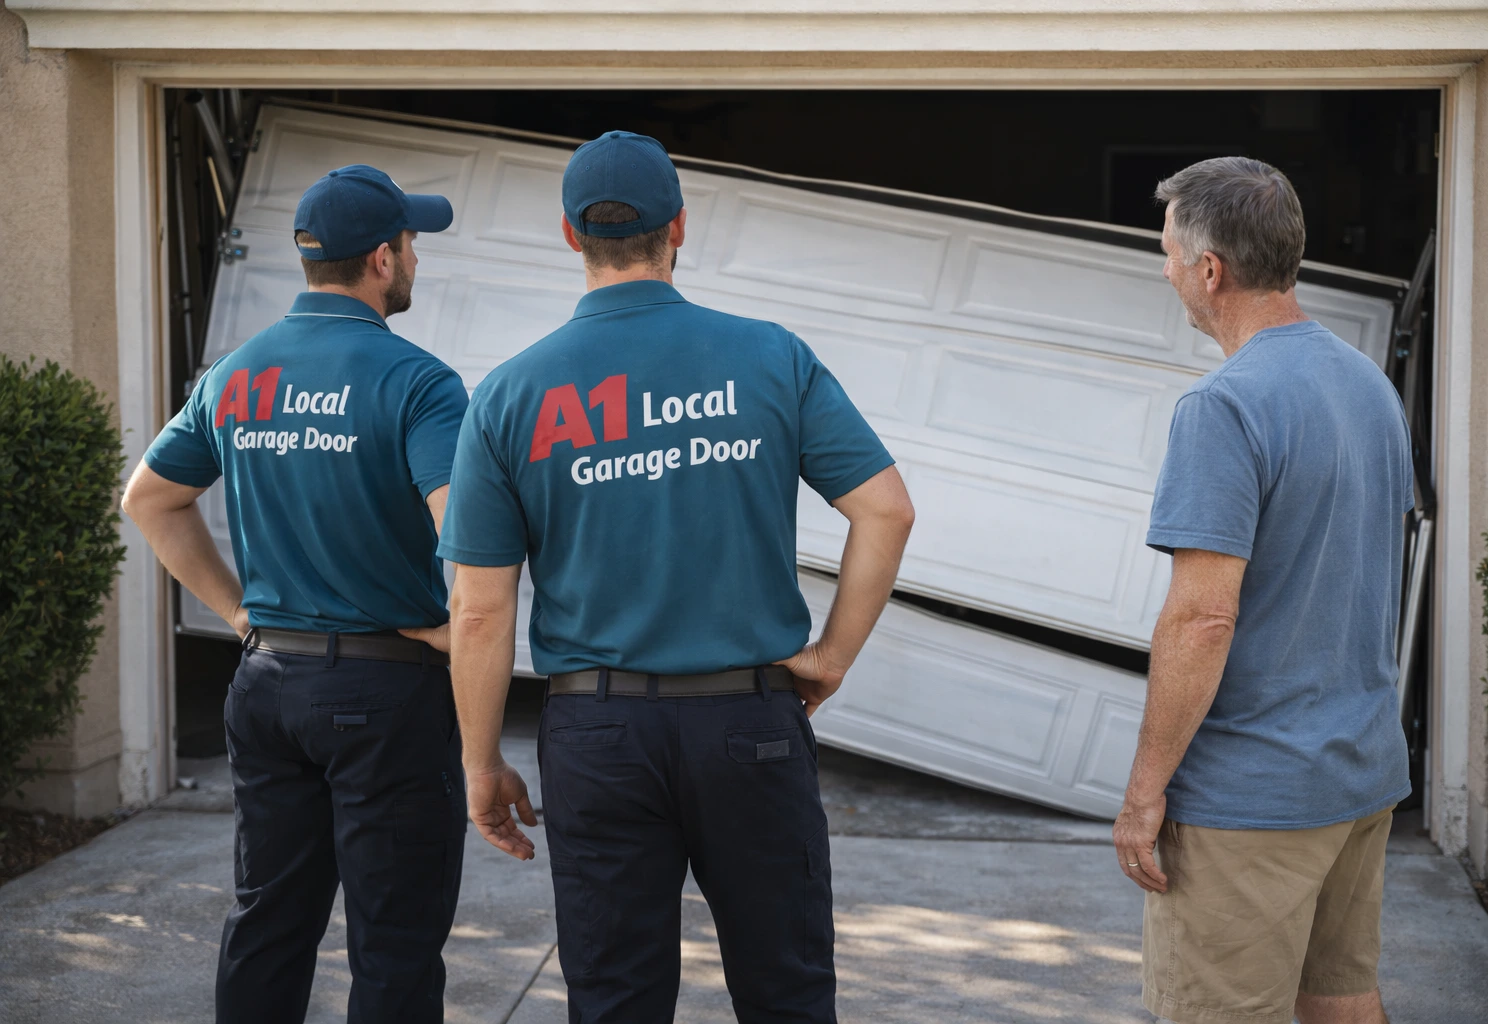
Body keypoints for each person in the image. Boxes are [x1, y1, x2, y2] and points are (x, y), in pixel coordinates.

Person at [438, 130, 915, 1023]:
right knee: (788, 989)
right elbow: (886, 510)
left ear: (572, 237)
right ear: (680, 229)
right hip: (751, 721)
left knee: (615, 997)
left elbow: (477, 608)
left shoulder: (510, 393)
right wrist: (834, 654)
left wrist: (478, 762)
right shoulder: (771, 356)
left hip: (597, 733)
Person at [121, 164, 483, 1024]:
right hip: (384, 692)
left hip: (268, 686)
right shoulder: (420, 383)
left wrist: (241, 612)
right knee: (393, 941)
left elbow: (148, 498)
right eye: (411, 243)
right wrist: (456, 632)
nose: (416, 259)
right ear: (383, 261)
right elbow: (469, 541)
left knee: (268, 919)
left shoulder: (236, 375)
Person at [1112, 156, 1413, 1024]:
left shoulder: (1225, 407)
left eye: (1168, 253)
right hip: (1357, 776)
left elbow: (1202, 618)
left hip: (1251, 802)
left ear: (1211, 270)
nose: (1165, 269)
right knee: (1345, 1007)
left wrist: (1144, 792)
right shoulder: (1367, 386)